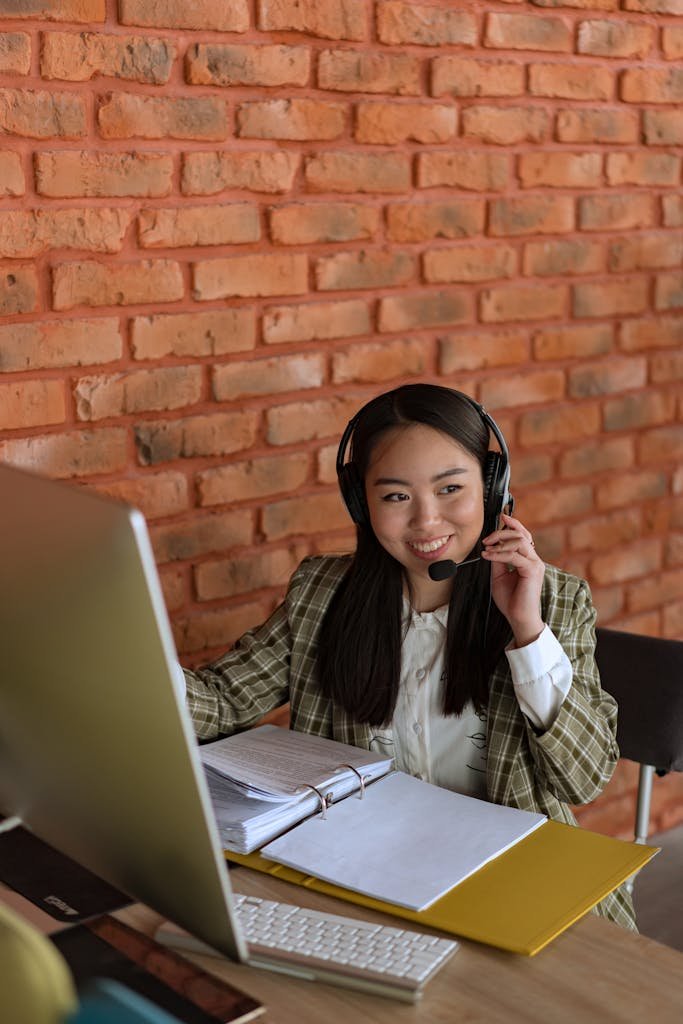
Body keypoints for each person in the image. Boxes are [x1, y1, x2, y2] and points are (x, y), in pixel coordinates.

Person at [181, 383, 636, 930]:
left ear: (493, 489)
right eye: (396, 496)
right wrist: (135, 666)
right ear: (360, 501)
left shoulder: (554, 599)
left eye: (450, 489)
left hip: (512, 879)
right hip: (361, 873)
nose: (426, 522)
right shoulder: (322, 592)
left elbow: (583, 780)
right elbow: (224, 700)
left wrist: (527, 630)